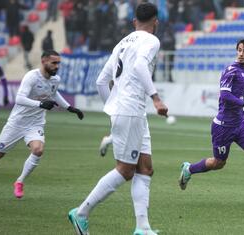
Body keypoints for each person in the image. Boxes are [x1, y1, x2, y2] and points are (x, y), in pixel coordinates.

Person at [67, 3, 168, 235]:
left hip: (130, 111)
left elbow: (100, 82)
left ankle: (142, 227)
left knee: (146, 168)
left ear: (134, 21)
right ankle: (81, 213)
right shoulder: (152, 41)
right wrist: (156, 98)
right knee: (125, 170)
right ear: (156, 21)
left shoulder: (122, 43)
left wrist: (112, 108)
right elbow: (142, 65)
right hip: (131, 109)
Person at [178, 39, 244, 204]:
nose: (241, 54)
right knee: (218, 163)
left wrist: (242, 108)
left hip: (239, 123)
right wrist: (242, 103)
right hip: (223, 126)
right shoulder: (231, 71)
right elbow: (224, 95)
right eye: (239, 50)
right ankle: (189, 169)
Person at [0, 50, 84, 200]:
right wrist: (40, 104)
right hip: (17, 122)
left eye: (58, 63)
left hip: (36, 123)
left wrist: (70, 108)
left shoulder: (55, 79)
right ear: (43, 61)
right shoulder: (31, 77)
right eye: (54, 63)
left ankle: (19, 181)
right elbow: (19, 98)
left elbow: (54, 93)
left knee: (38, 150)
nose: (57, 66)